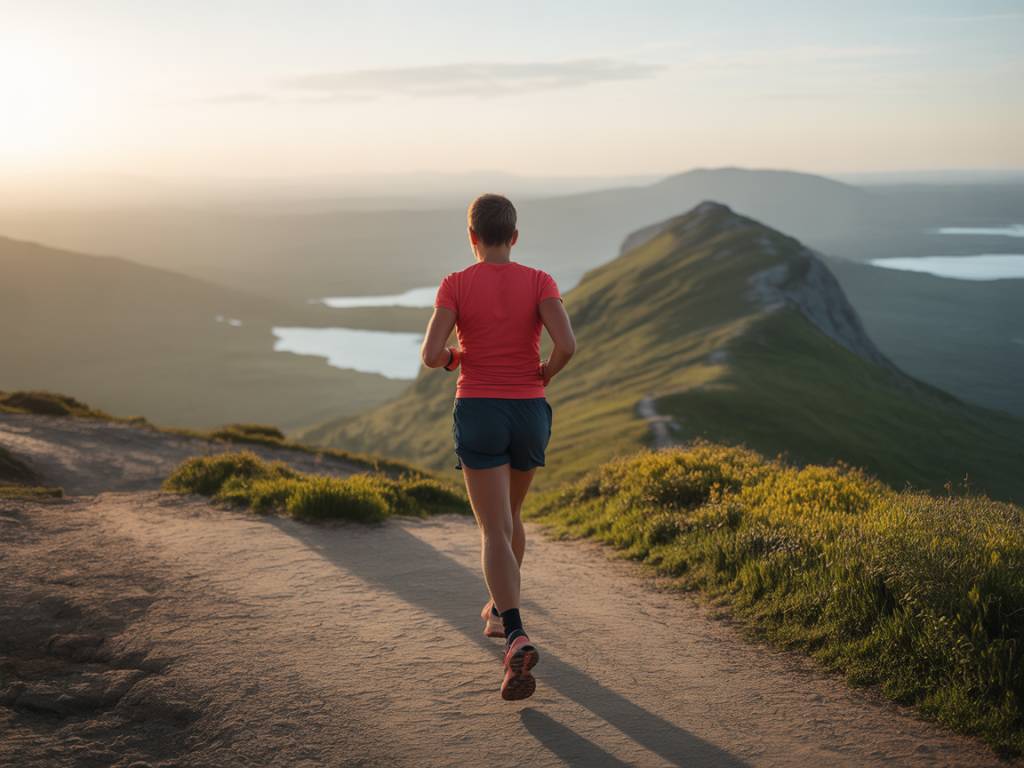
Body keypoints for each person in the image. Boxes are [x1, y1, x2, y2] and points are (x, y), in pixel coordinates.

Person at [420, 193, 576, 701]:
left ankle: (514, 634)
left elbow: (430, 354)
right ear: (514, 236)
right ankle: (496, 612)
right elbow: (567, 344)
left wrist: (454, 359)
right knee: (510, 517)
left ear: (472, 238)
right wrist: (545, 373)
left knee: (492, 528)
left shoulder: (456, 284)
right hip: (529, 412)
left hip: (480, 409)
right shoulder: (540, 281)